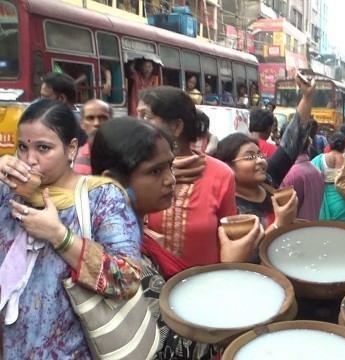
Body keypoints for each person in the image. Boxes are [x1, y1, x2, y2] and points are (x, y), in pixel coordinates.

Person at [91, 118, 263, 359]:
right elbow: (180, 348)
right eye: (155, 171)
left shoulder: (136, 235)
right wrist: (229, 269)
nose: (171, 179)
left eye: (170, 167)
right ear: (113, 180)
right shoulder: (121, 259)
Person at [0, 100, 142, 358]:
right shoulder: (9, 192)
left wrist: (60, 237)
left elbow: (128, 279)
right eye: (22, 147)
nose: (30, 160)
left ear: (71, 148)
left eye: (44, 148)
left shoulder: (101, 198)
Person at [137, 86, 256, 267]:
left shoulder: (220, 174)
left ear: (176, 127)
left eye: (145, 116)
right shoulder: (133, 171)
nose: (137, 124)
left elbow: (231, 237)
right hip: (147, 286)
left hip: (202, 287)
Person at [214, 74, 315, 233]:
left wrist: (307, 97)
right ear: (228, 167)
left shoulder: (269, 179)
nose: (260, 161)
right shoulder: (229, 206)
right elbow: (243, 252)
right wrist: (279, 224)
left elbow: (293, 138)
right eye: (250, 157)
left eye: (260, 155)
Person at [311, 132, 345, 221]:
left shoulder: (319, 159)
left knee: (325, 231)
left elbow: (310, 178)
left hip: (325, 204)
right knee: (343, 231)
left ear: (330, 144)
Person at [280, 136, 325, 221]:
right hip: (312, 225)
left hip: (295, 230)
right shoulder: (317, 171)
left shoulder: (289, 173)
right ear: (308, 146)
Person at [74, 99, 112, 175]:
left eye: (103, 118)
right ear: (82, 124)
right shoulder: (75, 156)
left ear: (112, 121)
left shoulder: (123, 153)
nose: (96, 123)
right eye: (90, 118)